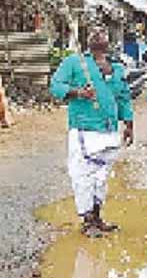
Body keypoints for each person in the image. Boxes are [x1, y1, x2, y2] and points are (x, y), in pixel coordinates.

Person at [50, 27, 134, 238]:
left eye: (102, 32)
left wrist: (129, 124)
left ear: (109, 40)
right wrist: (78, 92)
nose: (98, 34)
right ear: (87, 40)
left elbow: (123, 97)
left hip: (109, 130)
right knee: (82, 175)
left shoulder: (115, 67)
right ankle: (87, 220)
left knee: (101, 177)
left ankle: (97, 217)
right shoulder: (74, 62)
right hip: (84, 128)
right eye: (94, 32)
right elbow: (55, 86)